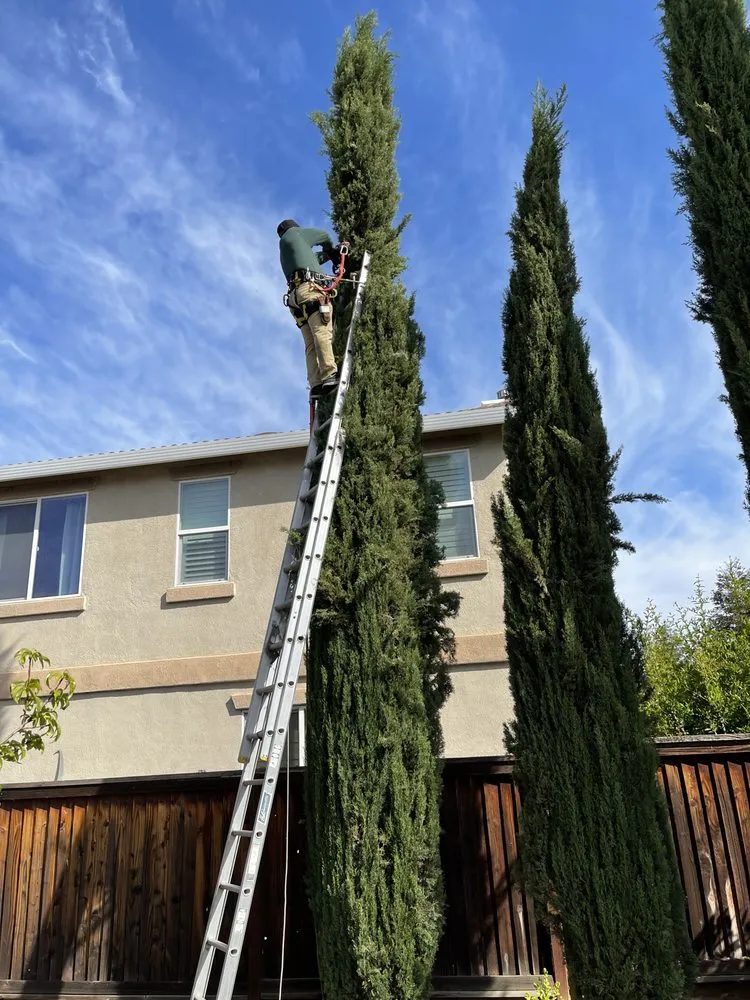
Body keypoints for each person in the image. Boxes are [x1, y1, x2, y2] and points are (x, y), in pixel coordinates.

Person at [277, 219, 342, 398]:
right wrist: (331, 250)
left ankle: (315, 384)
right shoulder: (296, 234)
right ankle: (329, 374)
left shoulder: (285, 250)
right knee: (322, 332)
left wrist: (328, 256)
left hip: (295, 298)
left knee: (310, 343)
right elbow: (325, 236)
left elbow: (314, 260)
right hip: (310, 290)